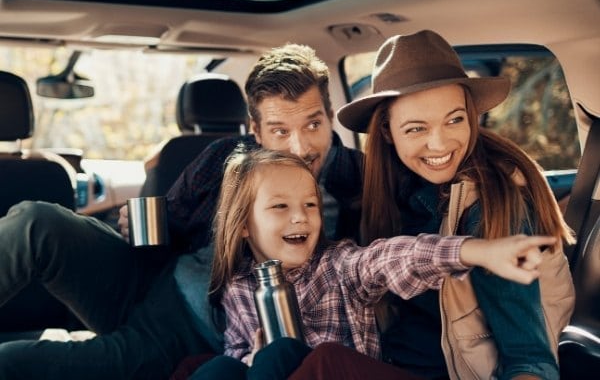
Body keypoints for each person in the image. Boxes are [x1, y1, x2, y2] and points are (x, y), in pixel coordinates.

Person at [0, 43, 362, 379]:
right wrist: (136, 225)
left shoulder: (361, 183)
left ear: (331, 117)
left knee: (13, 363)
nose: (299, 147)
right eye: (280, 131)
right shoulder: (224, 156)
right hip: (154, 282)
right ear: (256, 131)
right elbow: (171, 223)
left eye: (313, 124)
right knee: (37, 220)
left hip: (184, 334)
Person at [290, 30, 575, 380]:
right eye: (416, 129)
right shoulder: (387, 188)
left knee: (326, 363)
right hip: (387, 359)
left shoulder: (490, 204)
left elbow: (530, 357)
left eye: (454, 119)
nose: (439, 144)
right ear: (386, 133)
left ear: (472, 116)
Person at [189, 148, 555, 380]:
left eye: (310, 205)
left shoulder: (338, 266)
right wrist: (249, 357)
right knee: (218, 366)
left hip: (340, 370)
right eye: (281, 206)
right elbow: (236, 349)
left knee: (284, 352)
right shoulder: (238, 288)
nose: (300, 217)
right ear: (241, 227)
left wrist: (476, 251)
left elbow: (393, 257)